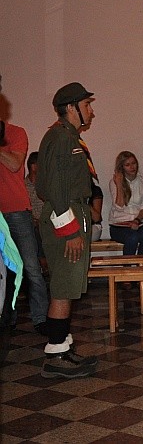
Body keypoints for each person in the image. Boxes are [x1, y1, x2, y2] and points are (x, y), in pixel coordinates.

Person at [37, 82, 99, 378]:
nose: (91, 111)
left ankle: (62, 348)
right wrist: (70, 231)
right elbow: (54, 189)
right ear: (72, 108)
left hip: (74, 213)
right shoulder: (61, 138)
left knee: (67, 287)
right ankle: (55, 355)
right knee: (62, 288)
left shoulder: (66, 137)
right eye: (87, 105)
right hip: (68, 217)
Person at [0, 110, 48, 334]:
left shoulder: (16, 133)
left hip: (17, 210)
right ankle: (6, 315)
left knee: (31, 266)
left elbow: (14, 163)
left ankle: (41, 318)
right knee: (4, 271)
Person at [108, 151, 143, 256]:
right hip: (119, 224)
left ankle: (140, 268)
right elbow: (119, 206)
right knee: (132, 238)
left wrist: (137, 220)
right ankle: (127, 269)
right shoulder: (114, 182)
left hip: (139, 222)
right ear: (121, 167)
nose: (132, 167)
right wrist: (119, 184)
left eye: (133, 163)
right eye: (127, 165)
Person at [24, 152, 47, 272]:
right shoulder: (22, 186)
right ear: (34, 167)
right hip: (31, 224)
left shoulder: (45, 185)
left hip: (47, 223)